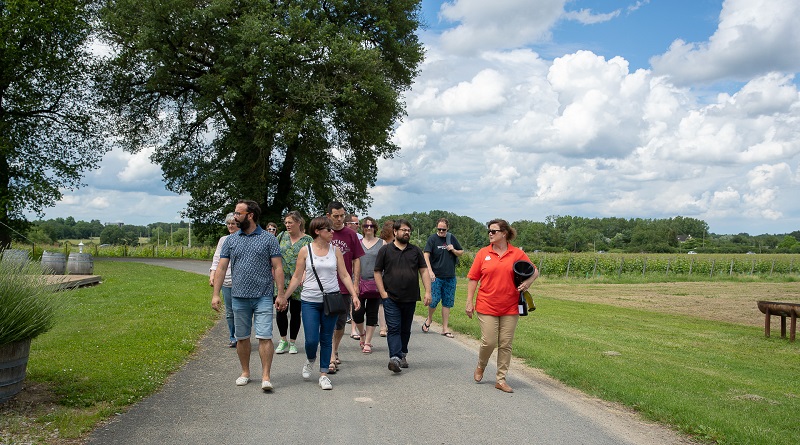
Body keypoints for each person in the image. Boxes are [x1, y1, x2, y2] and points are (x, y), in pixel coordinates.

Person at [211, 200, 287, 391]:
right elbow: (221, 268)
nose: (235, 217)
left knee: (265, 336)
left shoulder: (268, 239)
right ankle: (245, 372)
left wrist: (281, 294)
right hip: (238, 296)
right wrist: (215, 294)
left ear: (250, 215)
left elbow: (278, 267)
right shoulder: (231, 240)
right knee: (242, 337)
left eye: (238, 213)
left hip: (262, 296)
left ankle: (266, 376)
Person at [283, 217, 360, 390]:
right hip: (310, 300)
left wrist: (354, 295)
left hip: (331, 299)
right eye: (329, 230)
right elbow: (296, 276)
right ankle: (310, 359)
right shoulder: (305, 250)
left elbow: (345, 275)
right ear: (317, 231)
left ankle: (324, 374)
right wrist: (285, 296)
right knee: (311, 340)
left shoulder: (335, 251)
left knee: (326, 338)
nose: (332, 232)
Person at [466, 219, 539, 393]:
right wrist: (469, 301)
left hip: (510, 306)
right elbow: (473, 278)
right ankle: (481, 365)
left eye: (494, 231)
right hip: (487, 305)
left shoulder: (516, 253)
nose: (490, 234)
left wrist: (528, 283)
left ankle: (501, 379)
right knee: (489, 342)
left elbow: (534, 270)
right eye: (489, 231)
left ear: (504, 233)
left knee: (506, 344)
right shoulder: (483, 253)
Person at [374, 219, 431, 373]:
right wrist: (383, 293)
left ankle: (402, 353)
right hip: (390, 297)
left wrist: (428, 291)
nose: (407, 233)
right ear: (395, 232)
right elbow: (377, 271)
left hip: (410, 297)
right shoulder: (385, 250)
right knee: (393, 328)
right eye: (403, 230)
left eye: (408, 230)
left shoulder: (415, 250)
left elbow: (424, 271)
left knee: (405, 329)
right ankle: (395, 358)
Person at [326, 201, 364, 373]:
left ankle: (334, 349)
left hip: (344, 286)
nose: (340, 219)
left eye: (342, 215)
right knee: (326, 321)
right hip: (325, 286)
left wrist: (355, 284)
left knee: (341, 322)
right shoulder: (323, 233)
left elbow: (356, 259)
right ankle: (330, 355)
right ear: (329, 216)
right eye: (336, 216)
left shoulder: (351, 235)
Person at [274, 211, 312, 355]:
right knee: (280, 309)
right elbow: (274, 255)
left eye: (290, 222)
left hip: (299, 281)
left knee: (296, 312)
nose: (287, 225)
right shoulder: (281, 236)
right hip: (281, 280)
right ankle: (282, 339)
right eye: (286, 222)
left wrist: (305, 273)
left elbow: (311, 259)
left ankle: (293, 342)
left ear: (298, 223)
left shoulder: (307, 240)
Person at [422, 218, 464, 338]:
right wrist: (430, 271)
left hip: (450, 276)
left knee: (447, 302)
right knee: (434, 300)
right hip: (436, 276)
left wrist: (453, 250)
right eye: (439, 229)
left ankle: (445, 328)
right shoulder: (432, 239)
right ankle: (429, 319)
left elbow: (461, 252)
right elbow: (426, 254)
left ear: (447, 228)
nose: (441, 231)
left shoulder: (451, 238)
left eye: (443, 229)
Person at [351, 216, 384, 353]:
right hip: (358, 282)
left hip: (375, 283)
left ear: (375, 228)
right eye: (366, 226)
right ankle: (361, 333)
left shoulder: (382, 244)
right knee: (357, 313)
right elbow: (352, 263)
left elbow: (386, 264)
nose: (368, 228)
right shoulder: (357, 243)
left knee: (372, 313)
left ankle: (368, 342)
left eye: (371, 226)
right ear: (362, 228)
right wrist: (354, 282)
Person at [209, 212, 239, 348]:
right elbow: (217, 259)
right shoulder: (223, 240)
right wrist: (212, 275)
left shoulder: (243, 239)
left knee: (241, 311)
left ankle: (242, 336)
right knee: (230, 311)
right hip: (226, 281)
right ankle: (233, 337)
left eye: (233, 223)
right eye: (228, 224)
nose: (230, 226)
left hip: (241, 281)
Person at [376, 219, 395, 337]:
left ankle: (390, 325)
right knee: (382, 302)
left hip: (393, 276)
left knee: (391, 302)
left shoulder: (396, 244)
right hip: (382, 275)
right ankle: (383, 327)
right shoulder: (381, 244)